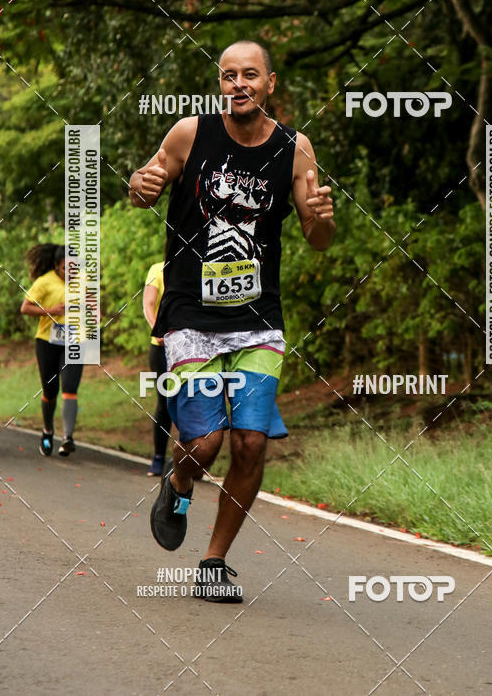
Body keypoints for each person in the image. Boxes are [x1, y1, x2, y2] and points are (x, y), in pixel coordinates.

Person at [128, 39, 335, 602]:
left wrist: (319, 220)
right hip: (190, 312)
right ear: (219, 84)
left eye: (249, 75)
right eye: (227, 76)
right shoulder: (190, 134)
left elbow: (318, 240)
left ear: (270, 84)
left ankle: (214, 561)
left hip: (259, 318)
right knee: (204, 442)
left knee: (249, 443)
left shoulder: (295, 149)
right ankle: (178, 483)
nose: (237, 84)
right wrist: (139, 186)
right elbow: (147, 185)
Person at [20, 243, 84, 457]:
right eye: (67, 267)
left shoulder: (83, 282)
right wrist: (50, 311)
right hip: (48, 342)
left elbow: (96, 308)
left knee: (70, 388)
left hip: (75, 342)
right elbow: (25, 308)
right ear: (57, 266)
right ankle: (47, 431)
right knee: (50, 390)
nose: (71, 272)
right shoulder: (44, 282)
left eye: (75, 267)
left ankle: (68, 438)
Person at [143, 259, 172, 476]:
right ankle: (159, 457)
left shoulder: (198, 265)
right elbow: (148, 304)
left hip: (192, 347)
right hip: (162, 348)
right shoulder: (158, 269)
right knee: (165, 401)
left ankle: (193, 458)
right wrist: (156, 328)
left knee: (193, 400)